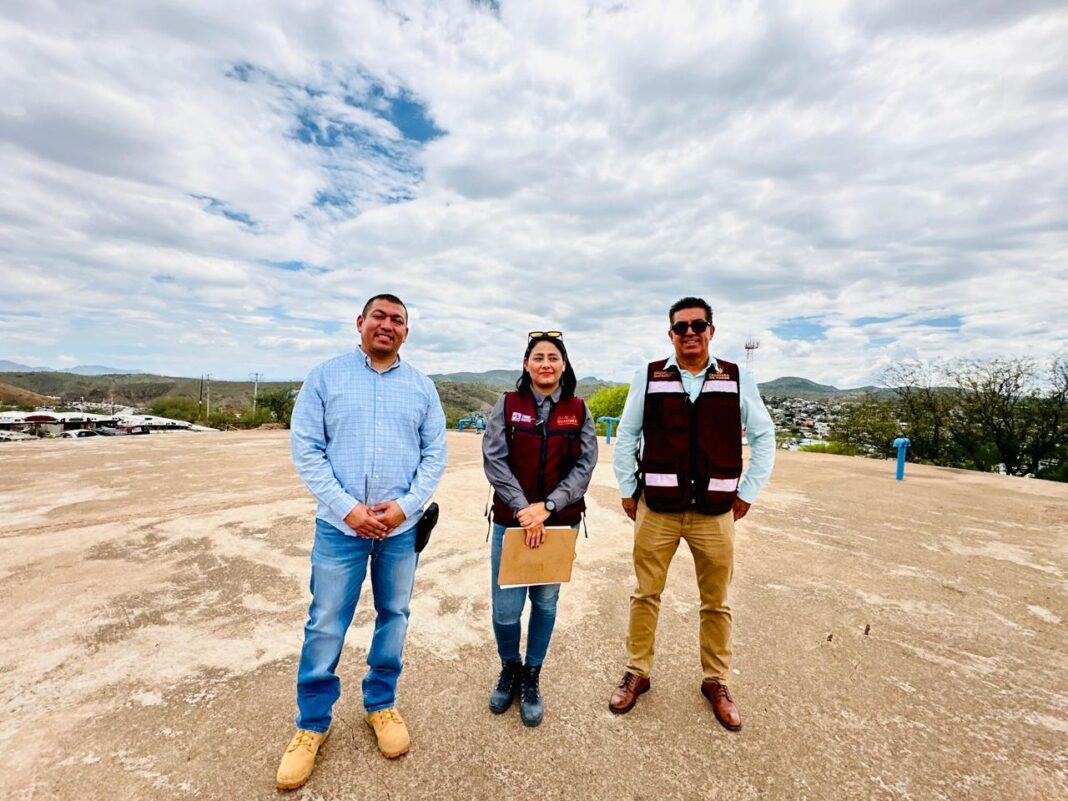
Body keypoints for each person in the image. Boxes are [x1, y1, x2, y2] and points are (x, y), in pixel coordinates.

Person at [277, 293, 447, 790]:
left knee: (394, 614)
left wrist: (404, 508)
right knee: (326, 621)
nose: (387, 325)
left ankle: (381, 704)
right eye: (379, 316)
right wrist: (350, 509)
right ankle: (311, 725)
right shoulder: (325, 377)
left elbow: (434, 455)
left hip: (399, 529)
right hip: (339, 527)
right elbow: (306, 449)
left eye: (398, 320)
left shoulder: (422, 387)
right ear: (360, 323)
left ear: (406, 332)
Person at [608, 297, 775, 731]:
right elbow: (627, 435)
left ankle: (716, 681)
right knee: (645, 594)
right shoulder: (650, 376)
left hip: (716, 512)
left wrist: (747, 492)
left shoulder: (735, 378)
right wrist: (629, 490)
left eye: (697, 326)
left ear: (711, 331)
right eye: (680, 328)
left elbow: (763, 435)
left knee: (716, 602)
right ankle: (637, 672)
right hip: (658, 508)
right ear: (671, 335)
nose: (689, 334)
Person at [482, 332, 597, 727]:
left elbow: (584, 466)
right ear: (526, 364)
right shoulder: (507, 405)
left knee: (545, 604)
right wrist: (523, 510)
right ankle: (509, 668)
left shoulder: (579, 410)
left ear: (564, 365)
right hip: (510, 523)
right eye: (538, 357)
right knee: (506, 609)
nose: (545, 364)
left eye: (553, 357)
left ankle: (532, 675)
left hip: (559, 524)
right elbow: (495, 459)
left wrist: (546, 508)